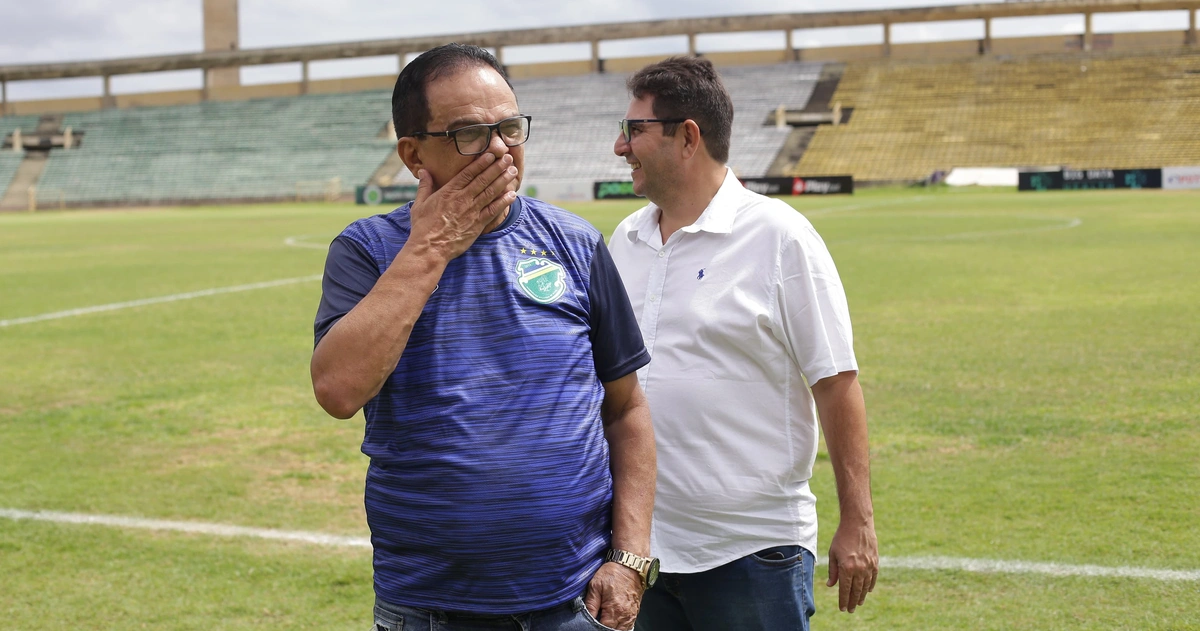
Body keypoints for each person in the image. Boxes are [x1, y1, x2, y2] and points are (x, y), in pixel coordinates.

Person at [310, 43, 658, 631]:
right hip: (431, 607)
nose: (499, 149)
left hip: (576, 602)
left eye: (509, 127)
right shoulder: (366, 251)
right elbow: (339, 391)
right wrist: (431, 246)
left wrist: (628, 560)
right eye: (470, 133)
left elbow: (626, 409)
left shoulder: (575, 243)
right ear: (412, 152)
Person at [607, 56, 879, 631]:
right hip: (642, 549)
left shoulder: (780, 236)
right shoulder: (624, 239)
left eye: (635, 130)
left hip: (751, 552)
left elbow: (835, 381)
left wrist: (857, 520)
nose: (620, 146)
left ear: (687, 137)